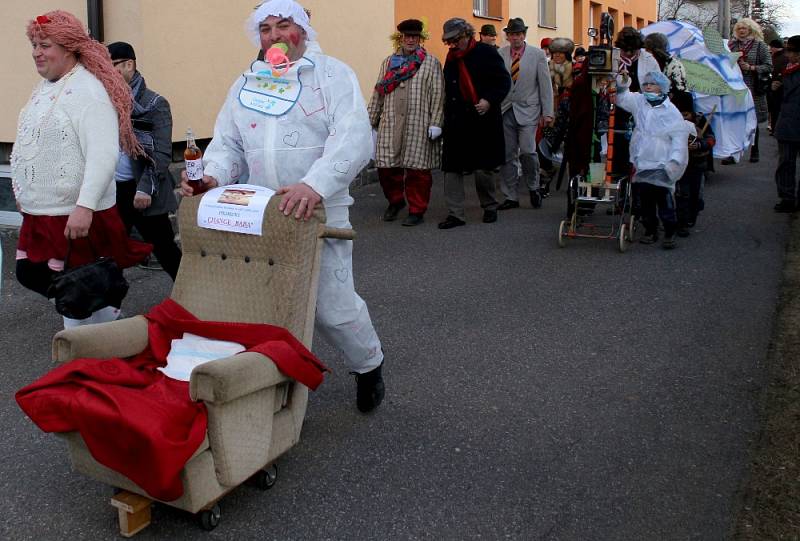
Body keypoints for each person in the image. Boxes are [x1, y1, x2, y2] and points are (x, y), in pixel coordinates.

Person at [179, 0, 385, 413]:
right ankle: (267, 393)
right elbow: (228, 144)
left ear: (303, 29)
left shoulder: (332, 75)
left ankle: (369, 366)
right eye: (266, 29)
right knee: (264, 304)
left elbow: (353, 137)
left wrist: (314, 185)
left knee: (333, 307)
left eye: (283, 26)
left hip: (319, 212)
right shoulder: (246, 82)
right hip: (261, 215)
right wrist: (213, 177)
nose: (274, 36)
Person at [11, 10, 151, 329]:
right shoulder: (44, 88)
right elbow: (30, 142)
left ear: (69, 48)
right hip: (43, 213)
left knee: (77, 290)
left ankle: (91, 352)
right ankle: (107, 321)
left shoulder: (88, 91)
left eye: (45, 45)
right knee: (38, 275)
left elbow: (103, 156)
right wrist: (22, 189)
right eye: (34, 44)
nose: (36, 52)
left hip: (75, 215)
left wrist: (85, 206)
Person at [107, 42, 182, 280]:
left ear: (129, 64)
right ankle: (107, 305)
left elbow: (161, 153)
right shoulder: (106, 101)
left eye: (113, 66)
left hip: (145, 188)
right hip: (114, 189)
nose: (107, 72)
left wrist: (145, 188)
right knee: (110, 251)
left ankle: (190, 300)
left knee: (165, 249)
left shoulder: (155, 103)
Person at [368, 19, 444, 227]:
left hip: (418, 123)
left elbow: (438, 94)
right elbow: (379, 92)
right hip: (391, 122)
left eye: (414, 36)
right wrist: (370, 119)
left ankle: (417, 209)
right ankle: (396, 201)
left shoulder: (430, 62)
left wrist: (436, 122)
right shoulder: (388, 62)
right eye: (407, 36)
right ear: (400, 38)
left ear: (420, 38)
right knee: (386, 167)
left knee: (417, 171)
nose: (411, 40)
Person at [437, 18, 511, 229]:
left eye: (455, 40)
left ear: (467, 35)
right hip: (457, 120)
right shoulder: (451, 57)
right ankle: (455, 214)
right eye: (449, 41)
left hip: (482, 119)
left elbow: (503, 81)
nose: (452, 45)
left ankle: (489, 206)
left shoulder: (487, 52)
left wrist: (488, 100)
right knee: (452, 169)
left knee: (483, 169)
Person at [615, 70, 690, 249]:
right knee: (645, 199)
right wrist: (623, 81)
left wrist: (675, 161)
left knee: (663, 198)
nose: (648, 86)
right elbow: (622, 97)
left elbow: (679, 138)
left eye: (653, 84)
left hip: (661, 161)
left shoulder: (670, 111)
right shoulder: (640, 102)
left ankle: (669, 230)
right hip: (641, 159)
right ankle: (650, 229)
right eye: (646, 83)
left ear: (662, 87)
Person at [496, 18, 553, 210]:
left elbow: (545, 86)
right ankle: (510, 195)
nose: (515, 38)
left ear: (524, 35)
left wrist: (548, 113)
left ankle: (533, 186)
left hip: (529, 110)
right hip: (505, 109)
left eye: (518, 34)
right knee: (507, 154)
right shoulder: (501, 53)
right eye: (512, 34)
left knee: (528, 151)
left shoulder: (537, 55)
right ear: (508, 36)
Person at [723, 18, 772, 164]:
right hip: (734, 88)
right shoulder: (731, 45)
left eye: (744, 28)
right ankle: (733, 153)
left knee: (753, 121)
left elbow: (769, 66)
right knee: (734, 120)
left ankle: (754, 150)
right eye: (739, 28)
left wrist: (751, 68)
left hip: (752, 88)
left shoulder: (759, 45)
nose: (741, 31)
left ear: (751, 29)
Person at [671, 92, 716, 236]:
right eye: (680, 114)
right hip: (679, 164)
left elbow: (711, 140)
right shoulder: (671, 121)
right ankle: (681, 223)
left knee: (696, 194)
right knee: (682, 194)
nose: (683, 118)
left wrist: (699, 145)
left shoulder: (701, 120)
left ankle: (692, 215)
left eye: (686, 115)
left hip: (697, 164)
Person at [773, 36, 800, 213]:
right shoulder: (786, 69)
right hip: (787, 122)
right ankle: (787, 198)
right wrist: (776, 88)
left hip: (793, 121)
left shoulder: (790, 71)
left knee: (787, 163)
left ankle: (789, 198)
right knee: (786, 163)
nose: (788, 54)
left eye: (791, 51)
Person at [769, 38, 788, 134]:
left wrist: (778, 81)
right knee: (774, 109)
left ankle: (775, 128)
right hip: (774, 86)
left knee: (776, 109)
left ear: (774, 47)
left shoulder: (781, 58)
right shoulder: (777, 56)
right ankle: (774, 128)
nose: (770, 48)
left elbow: (783, 72)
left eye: (771, 47)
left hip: (778, 87)